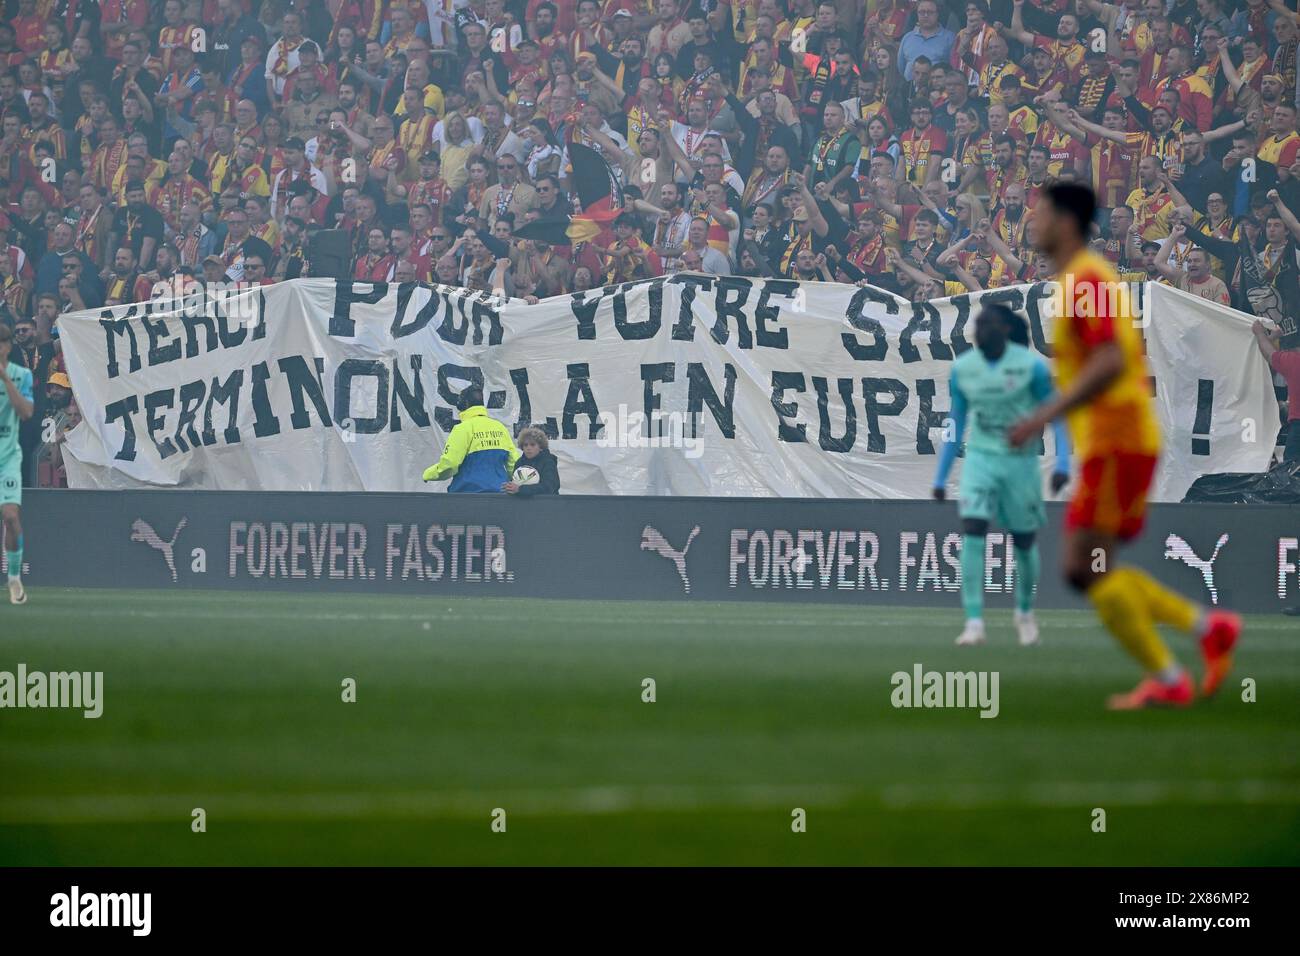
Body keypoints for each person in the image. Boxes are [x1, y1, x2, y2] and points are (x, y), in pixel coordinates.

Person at [1009, 182, 1241, 709]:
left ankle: (1179, 663)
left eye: (1040, 213)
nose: (1031, 222)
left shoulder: (1087, 282)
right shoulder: (1078, 281)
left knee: (1085, 567)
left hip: (1118, 438)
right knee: (1089, 567)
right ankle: (1201, 636)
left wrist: (1045, 414)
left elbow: (1111, 359)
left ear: (1065, 222)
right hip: (1116, 439)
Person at [933, 304, 1070, 647]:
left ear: (1005, 330)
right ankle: (974, 622)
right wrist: (940, 476)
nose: (982, 329)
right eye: (979, 324)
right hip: (980, 459)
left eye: (989, 323)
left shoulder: (1030, 367)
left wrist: (1064, 463)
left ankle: (1024, 613)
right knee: (973, 528)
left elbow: (1057, 416)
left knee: (1023, 542)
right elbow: (956, 423)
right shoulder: (963, 369)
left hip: (1019, 463)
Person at [421, 387, 521, 493]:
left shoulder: (462, 429)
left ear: (465, 404)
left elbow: (450, 465)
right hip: (499, 493)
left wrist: (428, 474)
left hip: (467, 495)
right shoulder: (499, 427)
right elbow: (513, 464)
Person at [0, 324, 35, 604]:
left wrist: (5, 381)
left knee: (11, 517)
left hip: (8, 457)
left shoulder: (21, 375)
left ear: (9, 346)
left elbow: (26, 413)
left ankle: (13, 578)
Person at [504, 426, 561, 496]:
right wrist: (509, 487)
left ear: (541, 447)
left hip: (547, 503)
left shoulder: (548, 462)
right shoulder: (519, 462)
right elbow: (515, 483)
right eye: (525, 445)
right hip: (523, 504)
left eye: (532, 445)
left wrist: (520, 489)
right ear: (522, 447)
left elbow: (549, 487)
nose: (528, 448)